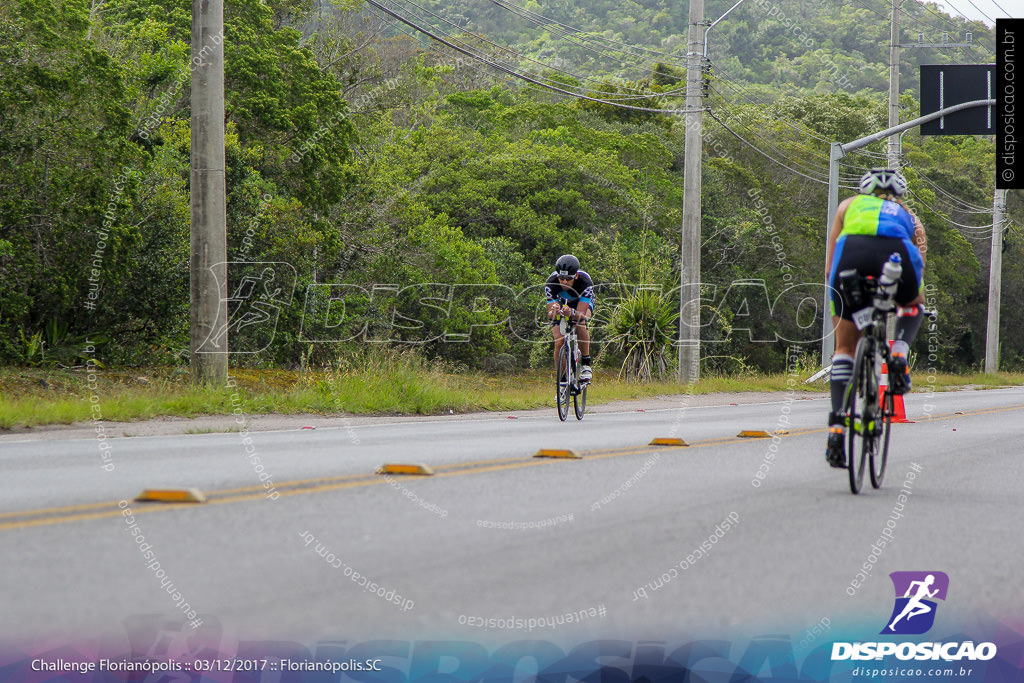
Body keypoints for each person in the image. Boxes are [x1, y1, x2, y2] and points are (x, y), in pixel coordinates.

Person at [824, 168, 927, 468]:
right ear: (900, 194)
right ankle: (898, 351)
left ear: (863, 191)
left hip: (851, 258)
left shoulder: (847, 206)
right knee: (915, 304)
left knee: (843, 349)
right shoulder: (910, 217)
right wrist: (904, 299)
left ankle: (836, 428)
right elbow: (920, 263)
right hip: (896, 256)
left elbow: (830, 264)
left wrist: (841, 299)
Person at [545, 254, 595, 382]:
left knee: (580, 322)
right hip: (563, 302)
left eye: (569, 278)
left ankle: (585, 364)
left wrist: (572, 313)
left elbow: (581, 314)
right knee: (558, 342)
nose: (564, 282)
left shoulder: (585, 282)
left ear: (576, 276)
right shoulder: (551, 283)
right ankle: (562, 381)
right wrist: (554, 311)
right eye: (561, 278)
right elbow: (551, 316)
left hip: (581, 302)